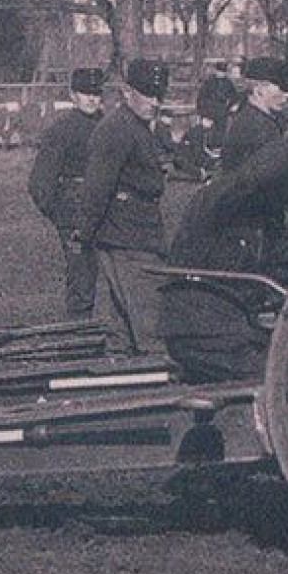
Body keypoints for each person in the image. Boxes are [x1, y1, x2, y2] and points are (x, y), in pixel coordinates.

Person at [159, 100, 288, 383]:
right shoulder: (222, 197)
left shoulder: (255, 215)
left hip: (228, 328)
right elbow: (253, 176)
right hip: (205, 332)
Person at [78, 58, 171, 353]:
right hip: (127, 236)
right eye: (148, 94)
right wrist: (85, 232)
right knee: (149, 318)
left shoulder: (136, 125)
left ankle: (121, 368)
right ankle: (154, 374)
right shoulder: (116, 129)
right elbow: (97, 188)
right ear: (127, 92)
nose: (155, 102)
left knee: (122, 316)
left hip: (135, 231)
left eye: (159, 95)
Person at [27, 67, 105, 319]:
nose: (92, 99)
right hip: (75, 211)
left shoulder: (110, 126)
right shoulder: (61, 130)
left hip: (110, 209)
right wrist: (61, 216)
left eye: (96, 93)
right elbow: (40, 182)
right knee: (81, 275)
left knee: (117, 274)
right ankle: (80, 333)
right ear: (73, 95)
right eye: (85, 93)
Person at [171, 67, 237, 182]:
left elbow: (234, 96)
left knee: (218, 133)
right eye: (219, 71)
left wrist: (229, 107)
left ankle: (214, 154)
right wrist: (203, 111)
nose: (220, 74)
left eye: (222, 72)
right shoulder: (209, 82)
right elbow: (201, 97)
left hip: (222, 112)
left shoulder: (228, 83)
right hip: (209, 110)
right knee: (204, 136)